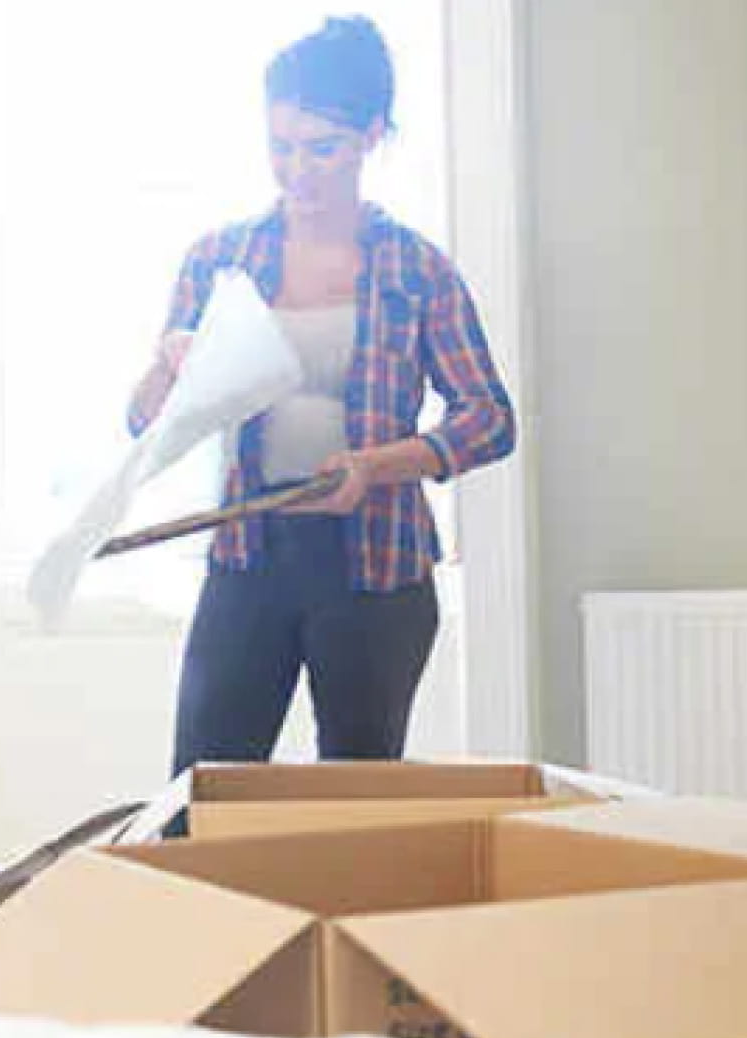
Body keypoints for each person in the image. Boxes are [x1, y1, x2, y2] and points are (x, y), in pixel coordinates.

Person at [127, 16, 517, 785]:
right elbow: (143, 423)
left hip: (377, 572)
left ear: (373, 134)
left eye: (322, 148)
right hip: (248, 556)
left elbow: (490, 418)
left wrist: (376, 465)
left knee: (351, 802)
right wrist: (168, 365)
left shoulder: (416, 268)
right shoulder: (218, 259)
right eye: (281, 146)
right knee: (199, 792)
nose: (296, 171)